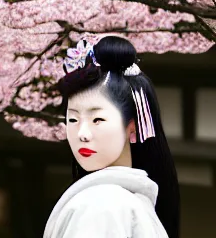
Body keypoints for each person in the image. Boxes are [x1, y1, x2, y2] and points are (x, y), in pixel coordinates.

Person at [43, 35, 180, 238]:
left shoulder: (103, 205)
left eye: (97, 119)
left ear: (131, 127)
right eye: (73, 120)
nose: (82, 134)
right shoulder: (125, 205)